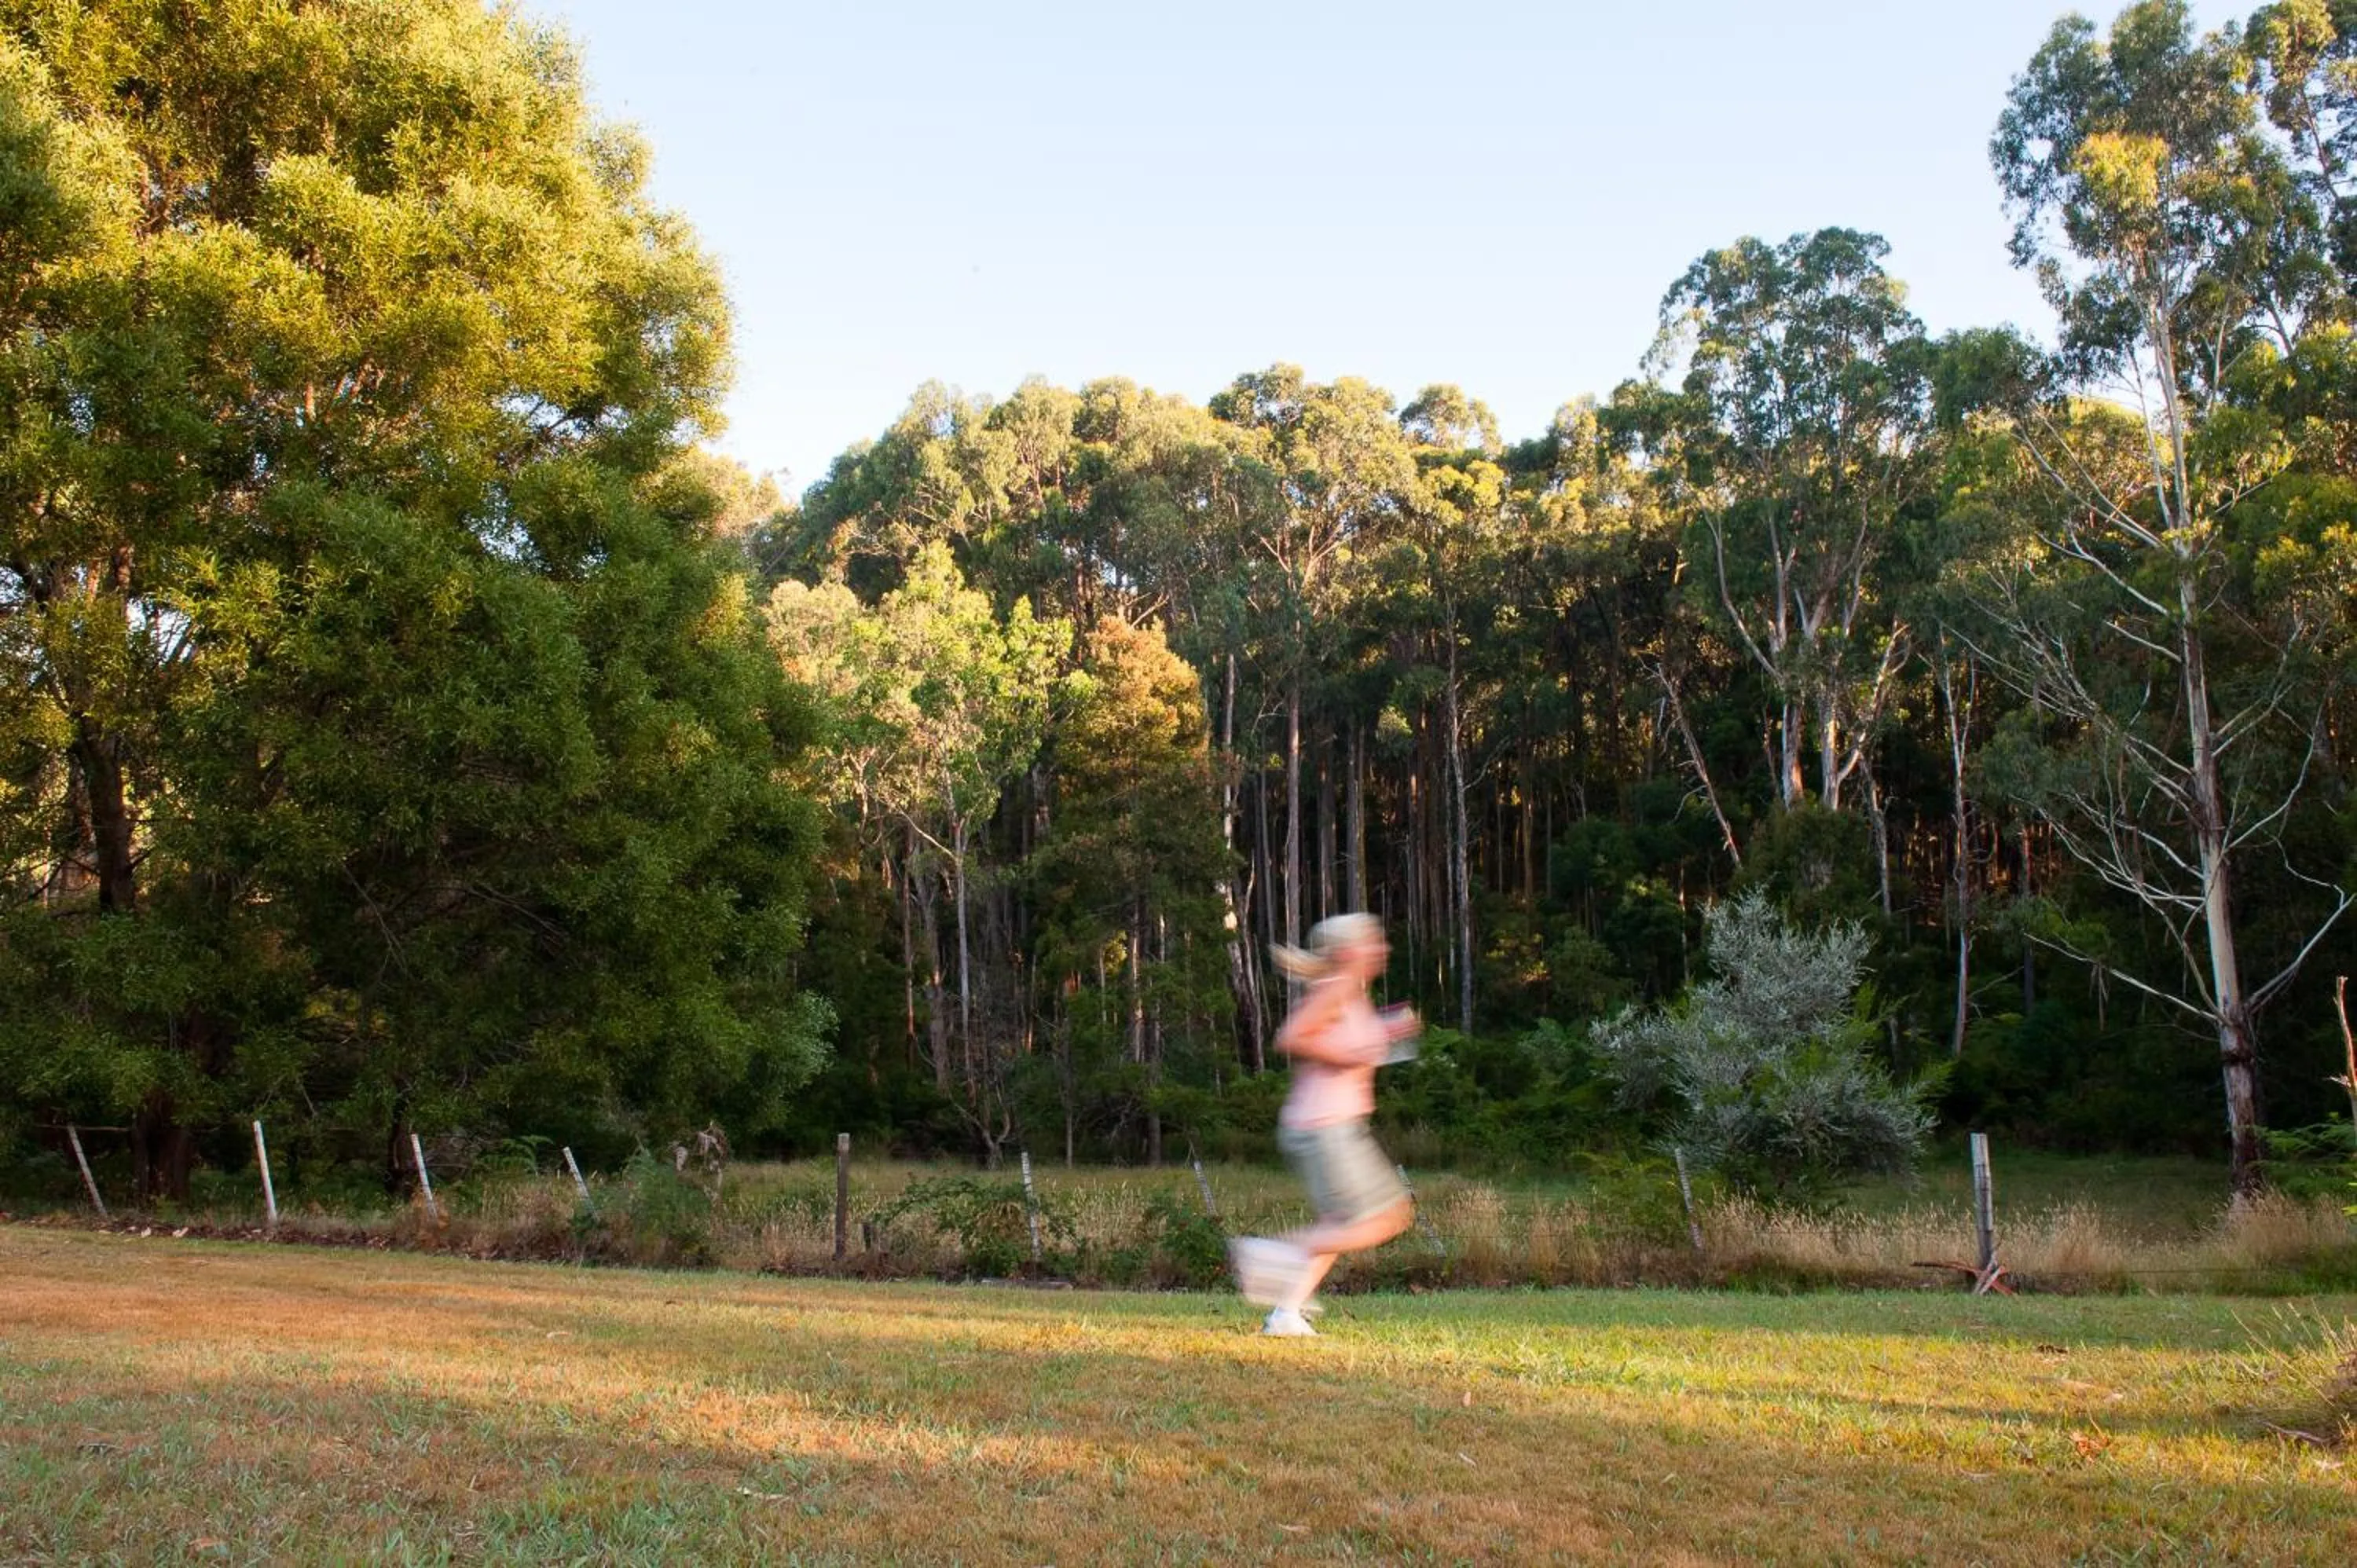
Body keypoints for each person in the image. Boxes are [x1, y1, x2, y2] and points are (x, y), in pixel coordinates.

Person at [1227, 912, 1419, 1336]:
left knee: (1338, 1222)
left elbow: (1342, 1043)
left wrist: (1388, 1034)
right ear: (1350, 951)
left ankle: (1285, 1315)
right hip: (1326, 1125)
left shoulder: (1349, 993)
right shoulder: (1340, 987)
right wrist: (1354, 1055)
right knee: (1387, 1217)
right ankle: (1272, 1254)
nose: (1382, 949)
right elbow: (1292, 1037)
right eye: (1373, 941)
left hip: (1326, 1124)